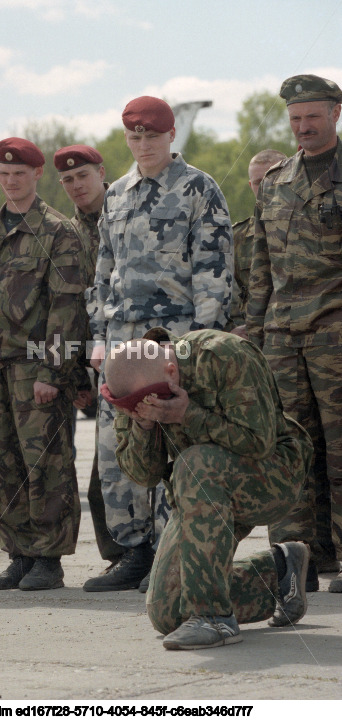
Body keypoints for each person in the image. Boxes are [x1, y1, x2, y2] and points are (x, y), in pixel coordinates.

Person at [85, 96, 234, 592]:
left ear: (170, 135)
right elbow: (103, 272)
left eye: (152, 135)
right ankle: (133, 552)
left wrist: (198, 350)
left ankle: (172, 557)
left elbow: (215, 276)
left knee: (173, 446)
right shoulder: (117, 195)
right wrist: (99, 339)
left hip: (175, 342)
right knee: (118, 449)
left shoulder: (199, 190)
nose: (143, 144)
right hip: (122, 344)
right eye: (135, 136)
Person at [103, 330, 312, 649]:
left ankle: (213, 617)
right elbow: (143, 475)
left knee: (193, 463)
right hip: (202, 493)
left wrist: (189, 415)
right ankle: (278, 571)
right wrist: (143, 425)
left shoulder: (224, 356)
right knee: (167, 611)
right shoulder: (136, 388)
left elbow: (259, 442)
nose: (144, 407)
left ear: (171, 372)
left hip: (274, 473)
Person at [0, 137, 89, 591]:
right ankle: (19, 554)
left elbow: (66, 308)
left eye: (19, 174)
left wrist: (52, 371)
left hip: (36, 367)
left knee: (45, 462)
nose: (10, 181)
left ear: (36, 175)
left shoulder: (58, 231)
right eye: (4, 175)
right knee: (4, 463)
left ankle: (48, 556)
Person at [247, 74, 342, 594]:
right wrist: (257, 337)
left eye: (312, 117)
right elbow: (261, 266)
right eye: (295, 120)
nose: (303, 127)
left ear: (335, 113)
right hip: (283, 338)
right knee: (288, 452)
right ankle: (294, 564)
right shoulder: (278, 181)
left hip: (336, 333)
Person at [54, 144, 123, 568]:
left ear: (101, 172)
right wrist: (78, 376)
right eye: (67, 180)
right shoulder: (66, 233)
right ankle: (118, 555)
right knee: (105, 470)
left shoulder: (131, 211)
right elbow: (70, 309)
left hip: (144, 349)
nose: (76, 186)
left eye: (83, 176)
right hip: (94, 362)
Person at [230, 149, 286, 329]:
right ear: (250, 185)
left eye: (272, 180)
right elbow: (225, 293)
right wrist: (234, 328)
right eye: (258, 183)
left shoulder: (313, 227)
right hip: (256, 336)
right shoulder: (237, 237)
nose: (265, 188)